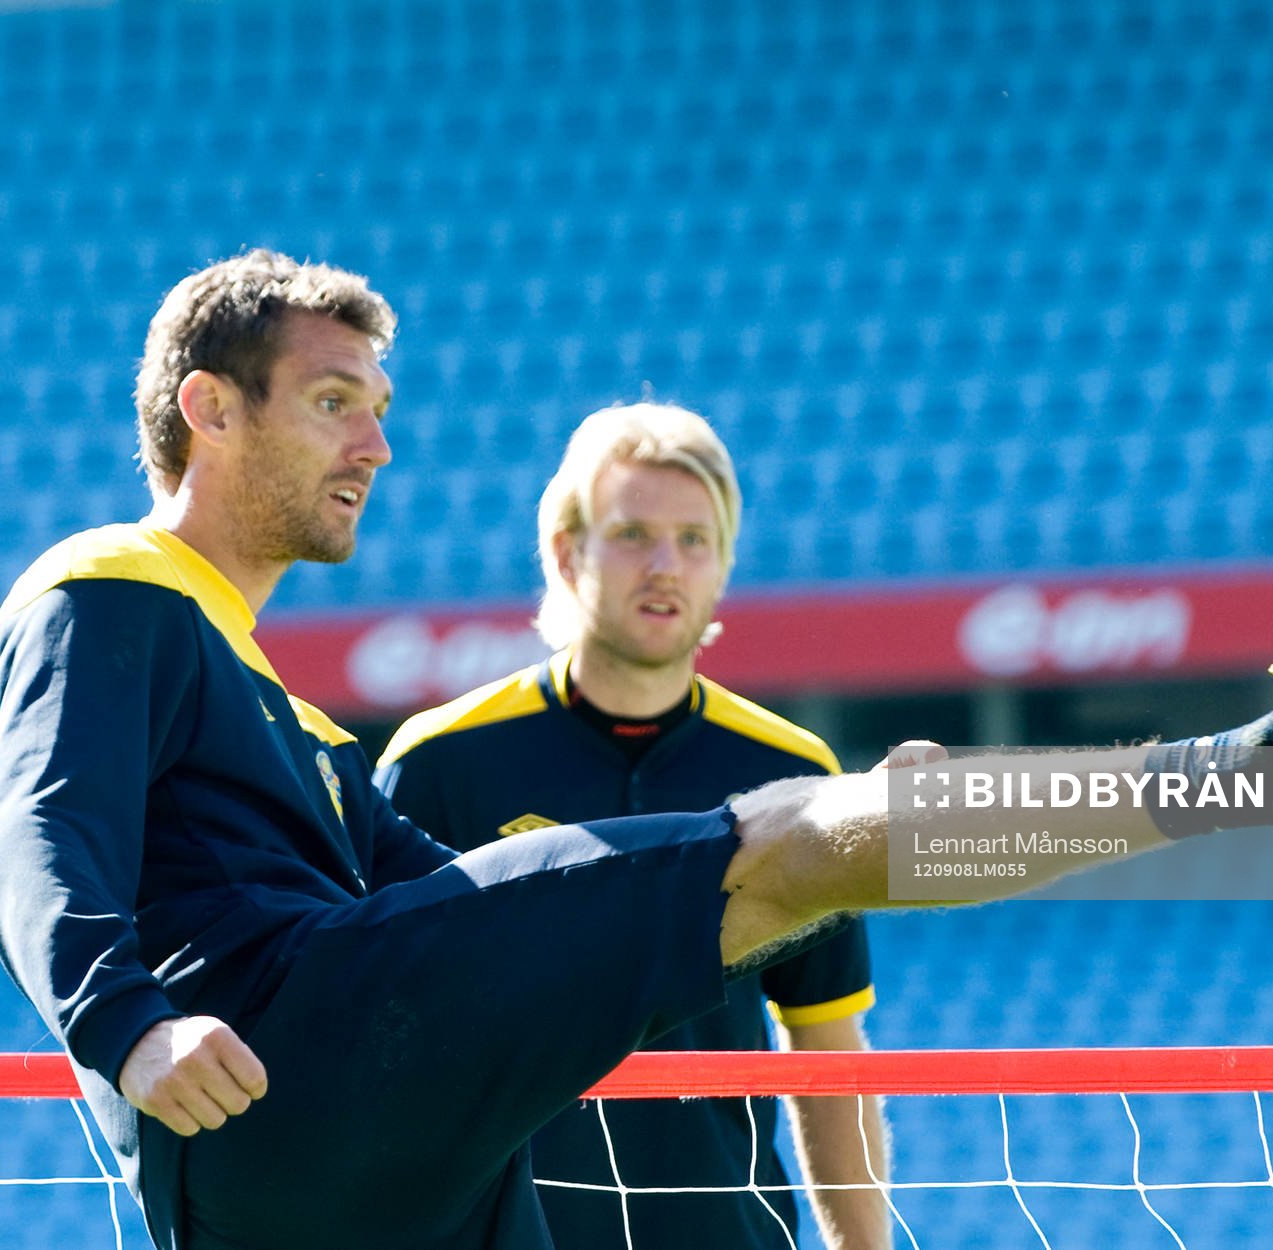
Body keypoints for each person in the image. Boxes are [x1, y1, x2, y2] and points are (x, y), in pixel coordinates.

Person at [0, 248, 1273, 1250]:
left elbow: (463, 889)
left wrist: (680, 911)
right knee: (800, 840)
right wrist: (126, 1025)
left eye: (380, 406)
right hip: (290, 1068)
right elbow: (31, 837)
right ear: (208, 412)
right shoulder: (105, 589)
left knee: (812, 843)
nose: (377, 442)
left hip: (362, 1148)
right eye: (332, 403)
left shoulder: (293, 716)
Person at [377, 402, 889, 1250]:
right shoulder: (440, 763)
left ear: (724, 566)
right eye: (632, 534)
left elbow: (827, 1046)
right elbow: (378, 1041)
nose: (666, 566)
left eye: (695, 540)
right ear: (565, 551)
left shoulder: (798, 775)